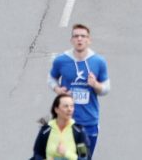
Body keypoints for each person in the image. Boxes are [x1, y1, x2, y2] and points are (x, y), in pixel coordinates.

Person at [48, 24, 110, 158]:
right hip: (65, 122)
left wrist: (95, 85)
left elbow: (106, 89)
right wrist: (57, 89)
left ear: (89, 40)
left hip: (89, 122)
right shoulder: (61, 60)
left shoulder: (98, 62)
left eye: (83, 36)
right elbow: (51, 78)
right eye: (76, 36)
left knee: (83, 157)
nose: (79, 39)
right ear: (71, 40)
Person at [31, 93, 90, 160]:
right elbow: (38, 154)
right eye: (66, 106)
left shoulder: (79, 132)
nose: (69, 109)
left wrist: (66, 153)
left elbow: (84, 158)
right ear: (56, 109)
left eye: (72, 106)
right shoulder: (46, 131)